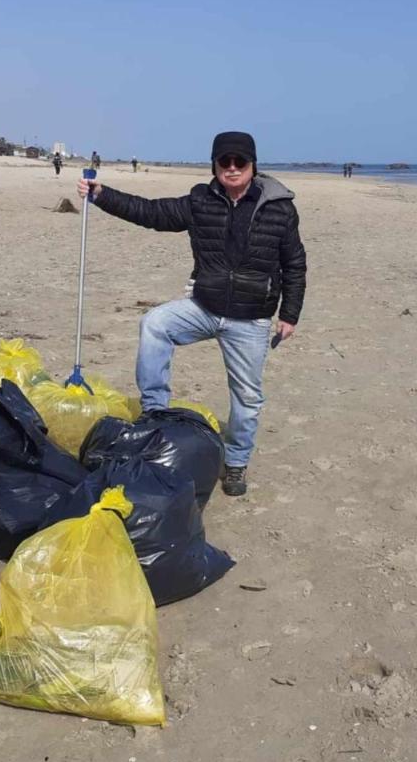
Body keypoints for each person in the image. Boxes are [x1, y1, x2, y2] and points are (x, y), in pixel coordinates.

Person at [77, 131, 307, 497]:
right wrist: (103, 195)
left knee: (247, 397)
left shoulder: (279, 207)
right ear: (214, 165)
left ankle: (235, 462)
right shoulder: (201, 201)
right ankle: (154, 414)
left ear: (252, 165)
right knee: (155, 323)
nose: (232, 168)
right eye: (224, 161)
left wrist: (289, 314)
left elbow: (294, 263)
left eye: (239, 162)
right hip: (203, 307)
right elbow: (152, 213)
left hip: (250, 319)